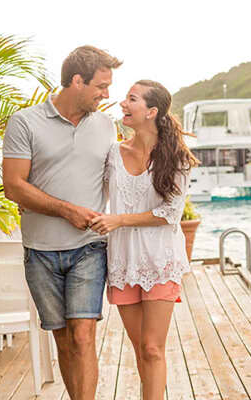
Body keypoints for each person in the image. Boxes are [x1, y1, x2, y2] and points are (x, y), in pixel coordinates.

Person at [2, 45, 121, 400]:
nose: (106, 94)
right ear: (77, 81)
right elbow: (13, 186)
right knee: (65, 340)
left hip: (88, 247)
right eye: (101, 86)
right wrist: (67, 210)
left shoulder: (106, 126)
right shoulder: (25, 122)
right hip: (40, 251)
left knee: (83, 336)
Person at [89, 80, 197, 400]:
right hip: (123, 262)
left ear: (151, 112)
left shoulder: (176, 157)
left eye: (131, 99)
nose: (122, 103)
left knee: (152, 349)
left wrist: (118, 220)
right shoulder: (113, 152)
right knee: (140, 350)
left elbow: (169, 214)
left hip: (161, 261)